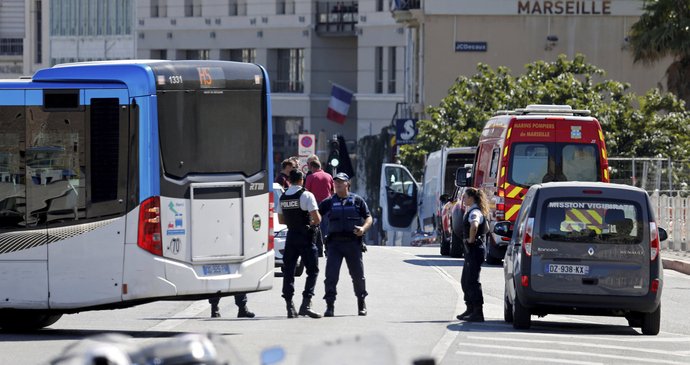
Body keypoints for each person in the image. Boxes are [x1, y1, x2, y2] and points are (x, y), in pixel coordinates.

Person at [319, 173, 372, 317]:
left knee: (358, 276)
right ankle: (330, 306)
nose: (337, 185)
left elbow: (368, 217)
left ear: (347, 184)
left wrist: (363, 229)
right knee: (331, 276)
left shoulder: (357, 200)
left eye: (341, 182)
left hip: (353, 243)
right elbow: (316, 214)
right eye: (335, 182)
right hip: (334, 244)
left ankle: (361, 303)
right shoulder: (329, 202)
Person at [277, 170, 322, 319]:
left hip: (291, 237)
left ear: (289, 181)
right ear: (302, 180)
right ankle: (306, 304)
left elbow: (281, 221)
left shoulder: (283, 197)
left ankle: (290, 306)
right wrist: (310, 222)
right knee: (313, 270)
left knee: (289, 271)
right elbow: (317, 219)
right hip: (305, 236)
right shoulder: (306, 195)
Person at [456, 187, 489, 322]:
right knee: (465, 280)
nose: (463, 199)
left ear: (471, 198)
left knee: (472, 281)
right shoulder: (473, 210)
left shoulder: (475, 212)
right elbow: (484, 228)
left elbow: (474, 226)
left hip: (474, 249)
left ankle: (477, 312)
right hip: (472, 250)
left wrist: (471, 239)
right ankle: (469, 308)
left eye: (465, 197)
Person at [305, 159, 335, 256]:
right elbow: (333, 192)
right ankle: (328, 248)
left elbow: (306, 192)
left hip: (315, 205)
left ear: (313, 167)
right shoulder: (329, 176)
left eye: (309, 166)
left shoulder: (310, 177)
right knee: (327, 226)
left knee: (316, 226)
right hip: (328, 203)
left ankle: (318, 248)